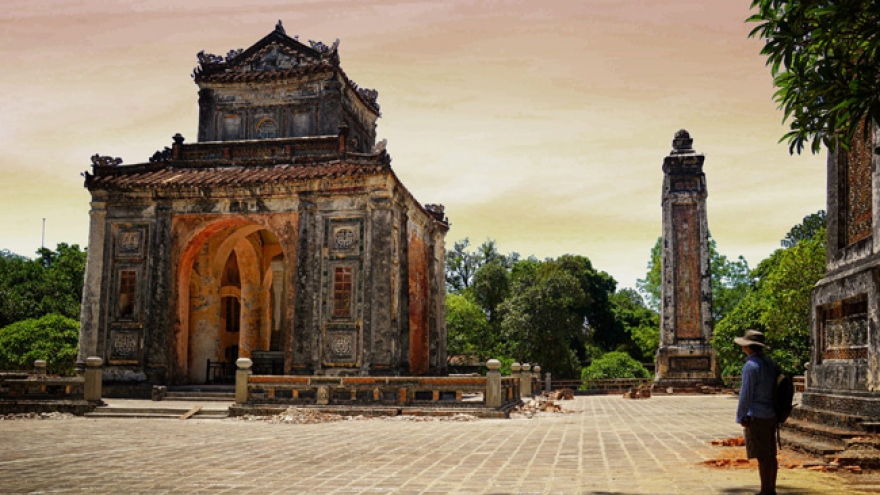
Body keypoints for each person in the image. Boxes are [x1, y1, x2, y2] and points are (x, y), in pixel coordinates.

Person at [735, 329, 778, 495]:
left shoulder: (751, 366)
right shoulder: (769, 363)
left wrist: (741, 416)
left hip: (757, 415)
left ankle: (765, 490)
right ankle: (770, 488)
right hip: (771, 413)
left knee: (762, 455)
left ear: (748, 347)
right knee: (770, 454)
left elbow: (745, 394)